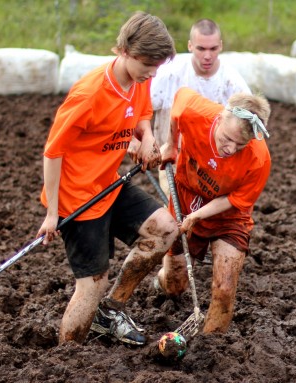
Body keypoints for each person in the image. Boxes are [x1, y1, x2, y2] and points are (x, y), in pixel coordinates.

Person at [37, 12, 178, 346]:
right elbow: (52, 152)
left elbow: (142, 115)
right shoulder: (88, 94)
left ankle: (110, 311)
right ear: (126, 51)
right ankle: (67, 355)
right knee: (93, 284)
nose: (153, 73)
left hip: (110, 184)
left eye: (158, 66)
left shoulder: (139, 80)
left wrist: (145, 139)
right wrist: (52, 213)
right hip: (78, 199)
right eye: (149, 64)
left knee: (165, 230)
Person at [155, 87, 271, 333]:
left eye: (239, 145)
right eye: (226, 139)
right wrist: (170, 145)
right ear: (219, 119)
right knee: (175, 285)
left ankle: (212, 346)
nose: (229, 149)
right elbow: (177, 106)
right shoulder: (195, 112)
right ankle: (162, 280)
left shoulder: (259, 159)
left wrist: (196, 216)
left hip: (227, 218)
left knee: (225, 287)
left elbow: (233, 200)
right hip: (187, 198)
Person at [147, 18, 252, 197]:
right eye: (201, 48)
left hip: (213, 163)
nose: (207, 55)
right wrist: (143, 140)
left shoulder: (232, 83)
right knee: (177, 207)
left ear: (221, 46)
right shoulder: (169, 74)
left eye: (213, 49)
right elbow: (142, 108)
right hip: (173, 156)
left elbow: (249, 127)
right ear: (190, 46)